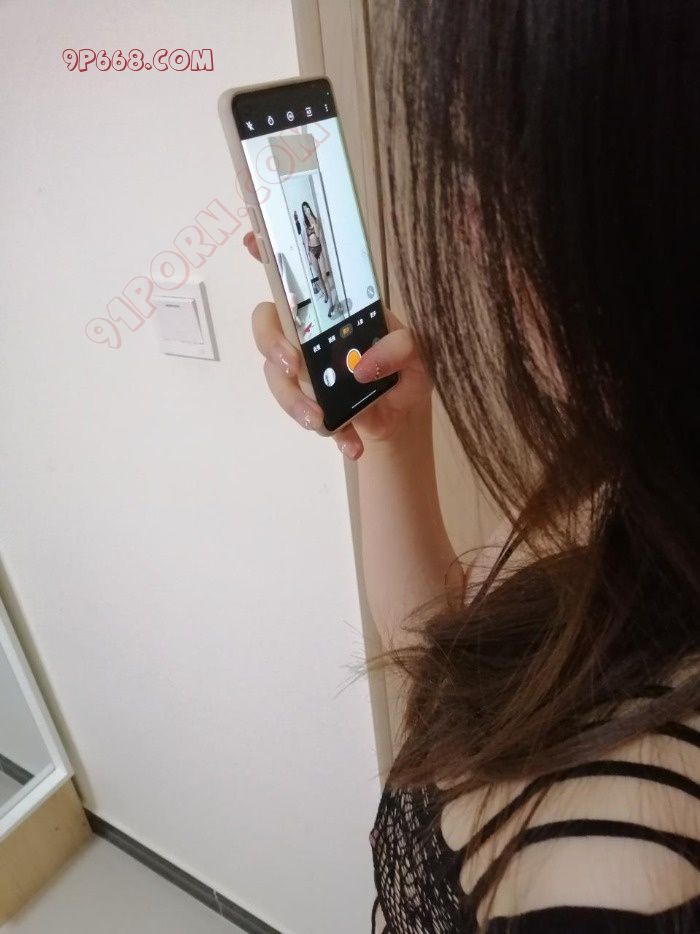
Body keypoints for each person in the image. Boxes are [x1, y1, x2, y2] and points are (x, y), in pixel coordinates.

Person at [243, 0, 699, 930]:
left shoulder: (612, 870)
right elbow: (456, 658)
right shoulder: (640, 473)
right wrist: (392, 437)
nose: (467, 232)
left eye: (487, 176)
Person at [301, 199, 333, 313]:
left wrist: (312, 219)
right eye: (304, 210)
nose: (306, 211)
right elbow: (306, 242)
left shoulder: (315, 220)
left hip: (319, 249)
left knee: (324, 276)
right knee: (319, 276)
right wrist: (308, 257)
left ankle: (331, 303)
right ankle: (326, 295)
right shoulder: (304, 224)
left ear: (309, 209)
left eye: (307, 209)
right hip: (311, 251)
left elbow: (318, 236)